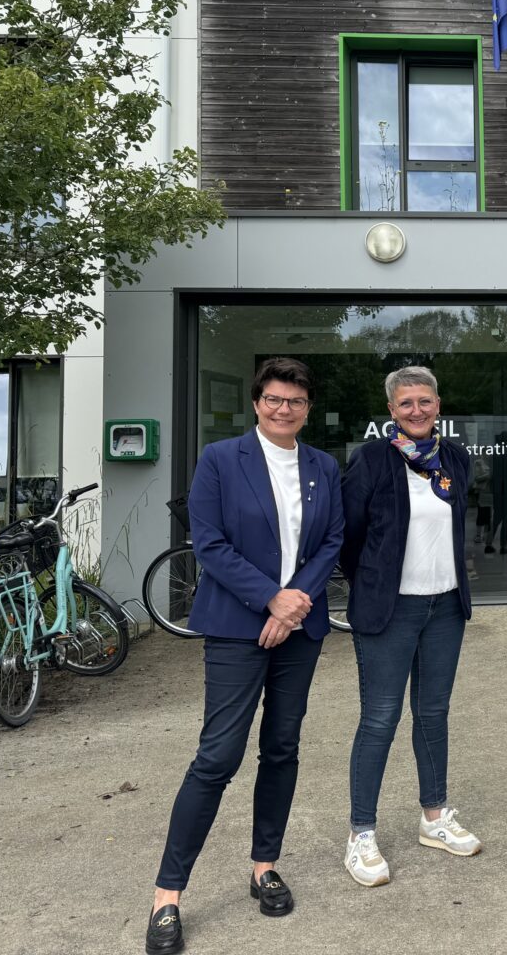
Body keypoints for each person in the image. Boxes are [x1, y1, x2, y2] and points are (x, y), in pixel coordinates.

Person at [146, 357, 343, 955]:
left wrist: (293, 605)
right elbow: (209, 544)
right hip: (237, 627)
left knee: (282, 747)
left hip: (298, 630)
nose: (284, 409)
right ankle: (167, 895)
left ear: (307, 409)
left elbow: (331, 540)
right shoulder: (219, 460)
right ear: (257, 403)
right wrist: (270, 600)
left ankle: (265, 866)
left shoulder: (322, 465)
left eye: (295, 401)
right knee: (218, 756)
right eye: (274, 399)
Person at [338, 365, 480, 888]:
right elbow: (349, 535)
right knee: (380, 718)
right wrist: (373, 583)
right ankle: (361, 833)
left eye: (424, 401)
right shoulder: (372, 458)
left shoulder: (455, 458)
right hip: (390, 610)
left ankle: (434, 817)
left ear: (438, 405)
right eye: (405, 403)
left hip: (445, 607)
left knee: (433, 713)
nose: (416, 410)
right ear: (391, 411)